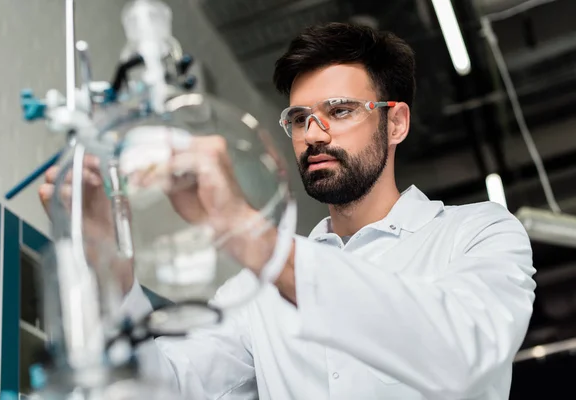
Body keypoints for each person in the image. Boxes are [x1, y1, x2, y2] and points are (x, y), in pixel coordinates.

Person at [39, 22, 535, 400]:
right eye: (300, 118)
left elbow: (464, 355)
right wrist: (111, 267)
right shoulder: (255, 289)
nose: (314, 134)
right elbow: (167, 387)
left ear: (397, 122)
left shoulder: (477, 233)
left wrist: (246, 232)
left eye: (340, 111)